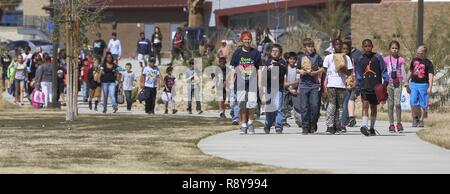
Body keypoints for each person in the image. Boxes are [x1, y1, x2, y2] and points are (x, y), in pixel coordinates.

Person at [355, 39, 389, 136]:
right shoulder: (360, 59)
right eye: (365, 46)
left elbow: (384, 70)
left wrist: (385, 82)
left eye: (369, 46)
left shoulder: (377, 57)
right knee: (365, 106)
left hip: (376, 87)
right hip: (365, 86)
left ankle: (372, 128)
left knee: (373, 107)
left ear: (372, 46)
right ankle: (364, 126)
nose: (367, 48)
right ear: (362, 47)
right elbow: (358, 73)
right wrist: (358, 86)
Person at [230, 31, 261, 135]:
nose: (247, 41)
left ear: (251, 40)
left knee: (252, 104)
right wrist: (231, 81)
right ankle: (243, 124)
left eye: (248, 39)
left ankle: (251, 123)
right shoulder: (237, 53)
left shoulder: (255, 52)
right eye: (245, 39)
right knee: (242, 104)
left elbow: (259, 69)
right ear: (242, 40)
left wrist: (260, 82)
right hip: (240, 82)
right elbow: (233, 69)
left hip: (252, 82)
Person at [323, 38, 354, 134]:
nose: (338, 46)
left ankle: (338, 125)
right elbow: (324, 71)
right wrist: (323, 86)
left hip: (341, 85)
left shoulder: (346, 58)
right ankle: (330, 125)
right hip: (331, 84)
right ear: (333, 45)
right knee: (331, 105)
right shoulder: (328, 57)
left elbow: (349, 72)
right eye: (336, 44)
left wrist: (342, 68)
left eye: (340, 45)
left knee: (339, 107)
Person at [297, 38, 324, 134]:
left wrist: (316, 72)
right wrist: (301, 71)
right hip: (304, 85)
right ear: (305, 48)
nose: (311, 48)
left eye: (312, 46)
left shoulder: (317, 57)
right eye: (309, 46)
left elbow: (323, 68)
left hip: (314, 85)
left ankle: (313, 123)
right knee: (304, 107)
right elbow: (297, 69)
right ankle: (305, 126)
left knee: (315, 106)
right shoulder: (301, 57)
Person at [406, 45, 434, 128]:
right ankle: (415, 118)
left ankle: (421, 120)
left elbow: (431, 75)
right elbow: (411, 71)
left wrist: (430, 87)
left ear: (424, 53)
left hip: (424, 85)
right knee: (412, 101)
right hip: (414, 84)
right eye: (417, 52)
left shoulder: (428, 63)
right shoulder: (414, 60)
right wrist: (406, 81)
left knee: (423, 104)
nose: (418, 54)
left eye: (420, 53)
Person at [263, 44, 286, 134]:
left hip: (278, 88)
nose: (275, 52)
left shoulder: (282, 62)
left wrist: (276, 66)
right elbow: (264, 76)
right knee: (269, 107)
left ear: (280, 53)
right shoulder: (267, 61)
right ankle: (267, 125)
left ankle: (278, 125)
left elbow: (282, 73)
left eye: (277, 51)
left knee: (279, 107)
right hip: (269, 87)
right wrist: (268, 70)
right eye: (273, 51)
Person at [384, 41, 406, 132]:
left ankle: (399, 123)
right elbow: (383, 71)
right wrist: (382, 83)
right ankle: (391, 124)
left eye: (396, 48)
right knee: (390, 104)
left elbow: (403, 71)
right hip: (389, 83)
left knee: (397, 104)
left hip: (398, 83)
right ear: (389, 49)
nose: (394, 49)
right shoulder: (385, 59)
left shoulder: (401, 59)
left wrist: (406, 83)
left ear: (398, 49)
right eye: (392, 48)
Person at [343, 36, 362, 127]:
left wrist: (358, 81)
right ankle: (347, 119)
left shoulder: (357, 54)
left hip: (356, 80)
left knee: (350, 99)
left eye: (348, 44)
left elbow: (361, 68)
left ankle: (348, 119)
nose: (346, 47)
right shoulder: (343, 54)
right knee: (346, 100)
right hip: (346, 81)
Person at [339, 41, 354, 132]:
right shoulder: (335, 57)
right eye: (343, 48)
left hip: (347, 84)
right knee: (336, 105)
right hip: (336, 84)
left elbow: (350, 72)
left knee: (345, 104)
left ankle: (343, 124)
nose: (345, 50)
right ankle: (335, 122)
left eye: (347, 49)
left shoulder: (348, 59)